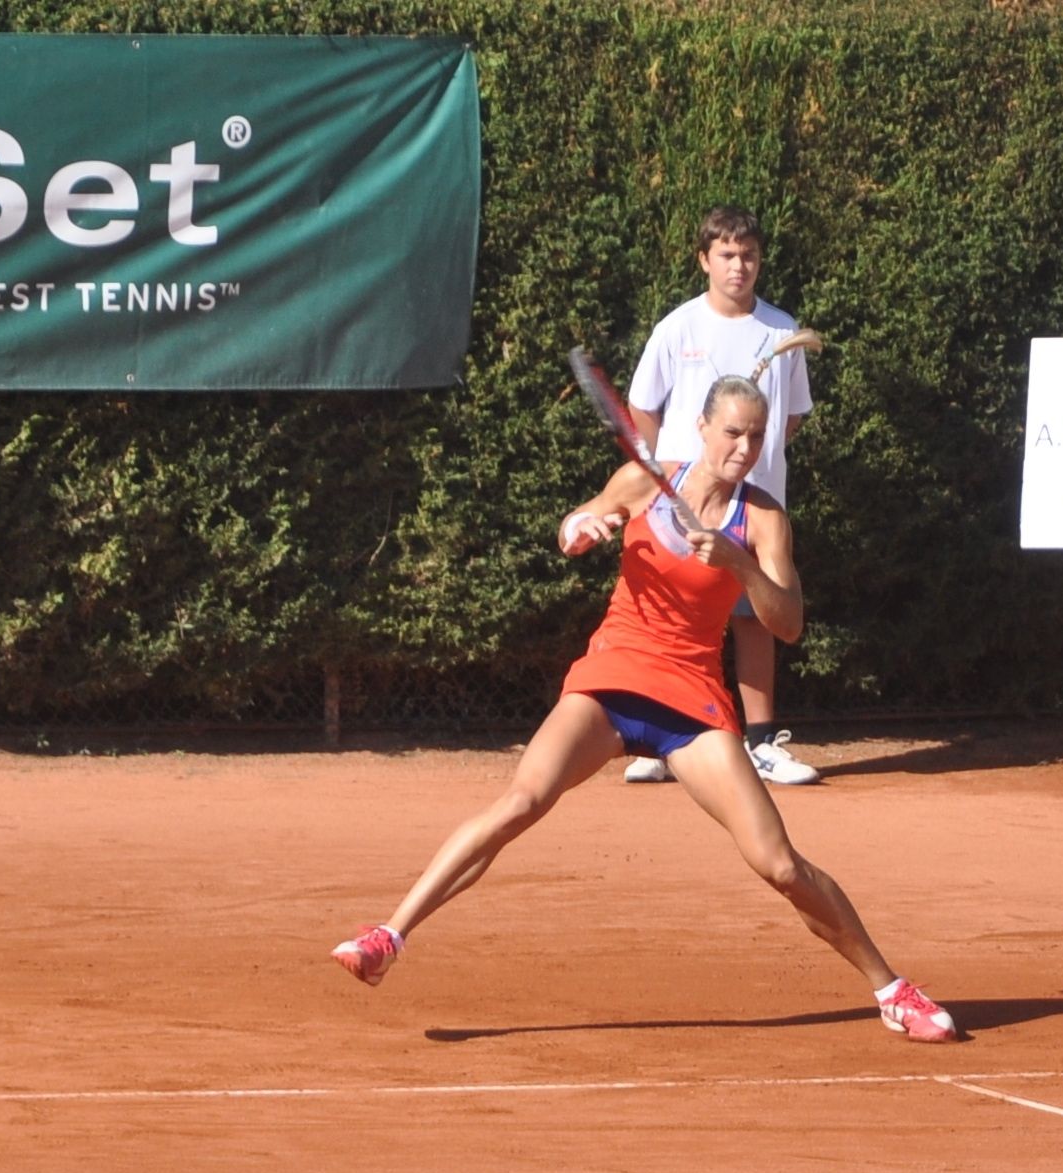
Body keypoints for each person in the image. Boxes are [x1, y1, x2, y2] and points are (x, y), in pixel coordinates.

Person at [331, 375, 957, 1044]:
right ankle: (388, 936)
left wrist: (743, 567)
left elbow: (790, 624)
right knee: (521, 801)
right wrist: (581, 530)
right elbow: (580, 520)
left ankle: (892, 991)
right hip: (612, 678)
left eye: (755, 435)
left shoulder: (765, 518)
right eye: (732, 432)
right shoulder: (643, 479)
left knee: (778, 863)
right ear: (704, 428)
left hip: (691, 699)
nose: (744, 447)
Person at [621, 205, 820, 786]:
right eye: (727, 255)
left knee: (758, 615)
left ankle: (761, 744)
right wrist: (673, 474)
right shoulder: (677, 327)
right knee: (673, 614)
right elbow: (641, 403)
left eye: (749, 255)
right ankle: (655, 741)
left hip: (754, 504)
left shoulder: (782, 330)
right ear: (705, 260)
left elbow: (793, 416)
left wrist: (751, 464)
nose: (739, 266)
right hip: (682, 504)